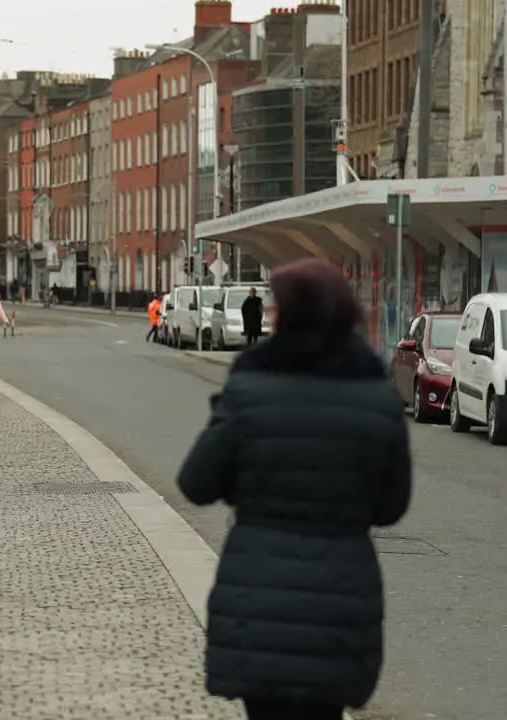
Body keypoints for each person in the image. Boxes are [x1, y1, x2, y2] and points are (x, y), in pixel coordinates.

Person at [176, 259, 411, 720]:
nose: (268, 314)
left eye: (274, 305)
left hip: (258, 596)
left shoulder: (249, 389)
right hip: (341, 600)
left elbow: (196, 483)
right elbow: (391, 506)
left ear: (288, 315)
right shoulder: (378, 397)